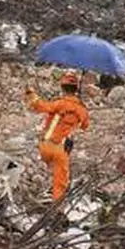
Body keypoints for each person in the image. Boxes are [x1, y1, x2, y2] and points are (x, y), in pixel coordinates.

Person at [24, 72, 91, 202]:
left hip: (45, 146)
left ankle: (41, 193)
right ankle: (56, 208)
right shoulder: (83, 110)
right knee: (61, 183)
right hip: (62, 151)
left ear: (62, 88)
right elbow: (85, 126)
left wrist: (30, 94)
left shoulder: (59, 104)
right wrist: (80, 106)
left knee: (43, 168)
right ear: (76, 89)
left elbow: (39, 106)